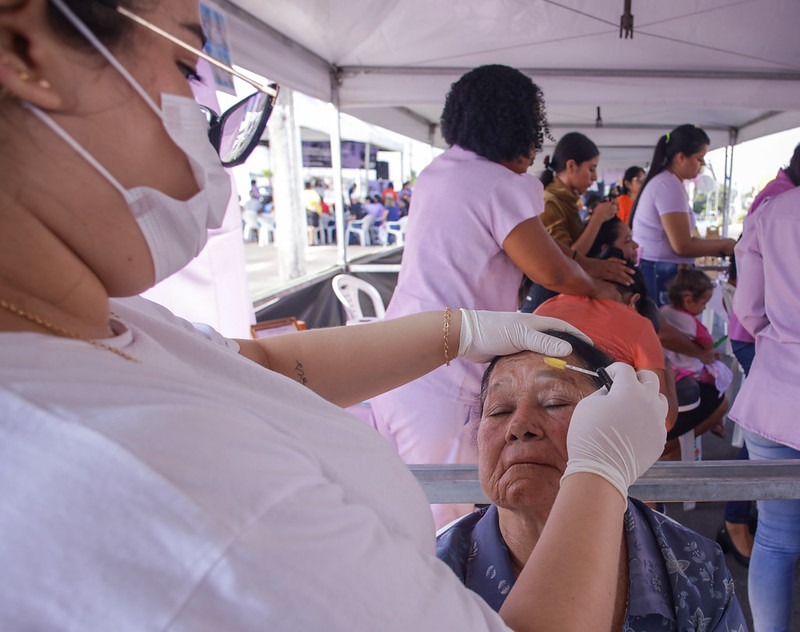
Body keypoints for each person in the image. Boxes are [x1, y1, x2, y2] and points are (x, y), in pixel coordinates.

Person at [0, 2, 669, 630]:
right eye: (186, 66)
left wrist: (460, 331)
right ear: (23, 45)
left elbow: (255, 365)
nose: (209, 139)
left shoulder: (95, 326)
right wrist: (599, 475)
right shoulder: (158, 473)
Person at [369, 64, 632, 528]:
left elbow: (545, 252)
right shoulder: (500, 183)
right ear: (520, 127)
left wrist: (586, 266)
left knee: (400, 507)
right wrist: (597, 287)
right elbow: (550, 267)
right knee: (448, 520)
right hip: (444, 373)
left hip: (394, 359)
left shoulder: (440, 172)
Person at [436, 336, 746, 630]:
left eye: (555, 402)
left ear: (620, 424)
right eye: (499, 410)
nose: (518, 426)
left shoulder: (694, 569)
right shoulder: (429, 573)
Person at [719, 143, 800, 569]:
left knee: (776, 538)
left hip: (775, 388)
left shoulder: (773, 208)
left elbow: (748, 311)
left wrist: (782, 339)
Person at [534, 267, 677, 431]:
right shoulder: (639, 324)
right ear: (634, 300)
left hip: (534, 419)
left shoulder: (545, 307)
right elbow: (663, 420)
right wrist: (670, 376)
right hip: (594, 433)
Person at [630, 125, 736, 305]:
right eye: (699, 158)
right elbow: (682, 245)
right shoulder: (668, 185)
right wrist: (727, 245)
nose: (702, 164)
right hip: (662, 271)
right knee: (668, 330)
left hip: (658, 268)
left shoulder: (667, 182)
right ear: (680, 157)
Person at [520, 132, 619, 311]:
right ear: (571, 166)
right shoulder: (550, 202)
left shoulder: (568, 200)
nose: (595, 177)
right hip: (548, 297)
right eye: (591, 168)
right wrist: (597, 219)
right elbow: (562, 262)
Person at [659, 269, 731, 453]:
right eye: (704, 303)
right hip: (690, 373)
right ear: (689, 300)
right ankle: (716, 421)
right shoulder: (691, 322)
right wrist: (710, 350)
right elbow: (707, 342)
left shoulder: (663, 312)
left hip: (668, 368)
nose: (705, 308)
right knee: (718, 385)